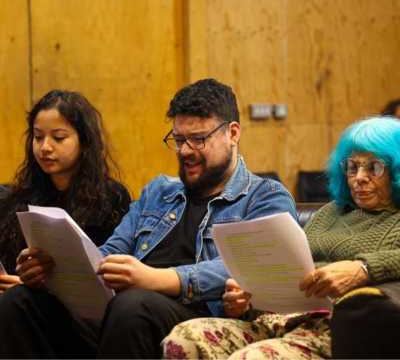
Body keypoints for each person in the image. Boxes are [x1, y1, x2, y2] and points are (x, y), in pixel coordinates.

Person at [0, 78, 296, 359]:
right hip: (120, 312)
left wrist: (159, 279)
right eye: (178, 139)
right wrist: (55, 273)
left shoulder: (264, 197)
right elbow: (109, 253)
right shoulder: (159, 191)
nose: (185, 151)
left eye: (198, 139)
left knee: (133, 304)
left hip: (197, 317)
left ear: (232, 133)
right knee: (21, 301)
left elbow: (257, 267)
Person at [163, 116, 400, 360]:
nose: (359, 177)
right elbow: (290, 271)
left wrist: (364, 268)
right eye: (352, 167)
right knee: (185, 338)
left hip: (334, 331)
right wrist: (246, 298)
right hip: (277, 320)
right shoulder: (330, 213)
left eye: (374, 167)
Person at [0, 90, 131, 294]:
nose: (45, 147)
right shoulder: (20, 195)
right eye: (38, 137)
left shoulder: (111, 197)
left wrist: (27, 288)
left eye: (58, 138)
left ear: (84, 142)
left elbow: (102, 276)